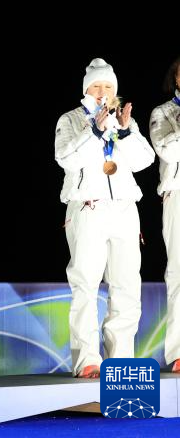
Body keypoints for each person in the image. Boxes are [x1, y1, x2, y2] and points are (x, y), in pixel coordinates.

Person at [54, 58, 154, 378]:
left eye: (108, 86)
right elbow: (66, 158)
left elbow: (144, 160)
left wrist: (124, 132)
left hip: (124, 209)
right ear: (86, 89)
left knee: (127, 286)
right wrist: (95, 131)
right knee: (86, 285)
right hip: (88, 208)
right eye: (96, 86)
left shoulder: (124, 121)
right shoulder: (71, 120)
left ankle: (121, 360)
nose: (102, 92)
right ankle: (87, 360)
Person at [150, 55, 180, 373]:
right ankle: (178, 351)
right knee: (179, 273)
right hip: (177, 194)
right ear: (176, 78)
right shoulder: (162, 113)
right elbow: (167, 150)